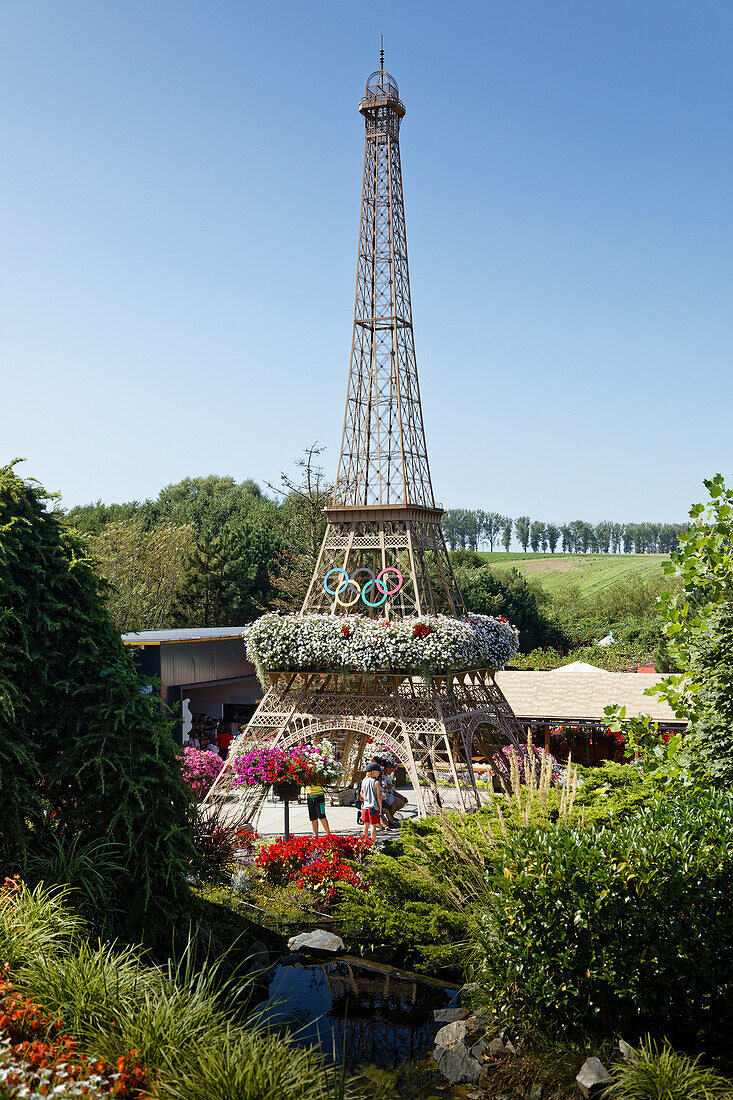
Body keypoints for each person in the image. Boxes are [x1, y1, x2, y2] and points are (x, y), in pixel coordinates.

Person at [380, 762, 407, 827]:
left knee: (400, 802)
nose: (391, 770)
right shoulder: (382, 777)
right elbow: (384, 786)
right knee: (394, 804)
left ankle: (391, 817)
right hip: (385, 796)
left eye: (391, 769)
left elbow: (392, 790)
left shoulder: (388, 777)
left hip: (389, 795)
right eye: (389, 769)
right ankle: (390, 819)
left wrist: (402, 797)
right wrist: (390, 786)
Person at [360, 764, 383, 843]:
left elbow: (361, 794)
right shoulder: (376, 782)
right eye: (378, 772)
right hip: (373, 807)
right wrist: (380, 808)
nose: (379, 773)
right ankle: (372, 842)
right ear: (373, 772)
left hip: (365, 807)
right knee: (373, 825)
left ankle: (365, 841)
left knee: (366, 824)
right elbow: (378, 796)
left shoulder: (364, 781)